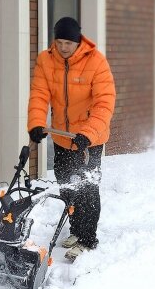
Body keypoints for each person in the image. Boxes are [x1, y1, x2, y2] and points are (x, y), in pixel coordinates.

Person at [27, 17, 116, 261]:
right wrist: (35, 124)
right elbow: (39, 94)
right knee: (67, 184)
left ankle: (87, 238)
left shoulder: (96, 62)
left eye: (68, 42)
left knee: (87, 186)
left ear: (78, 42)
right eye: (59, 42)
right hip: (62, 137)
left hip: (89, 139)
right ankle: (76, 229)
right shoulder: (47, 60)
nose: (64, 47)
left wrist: (88, 133)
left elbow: (104, 102)